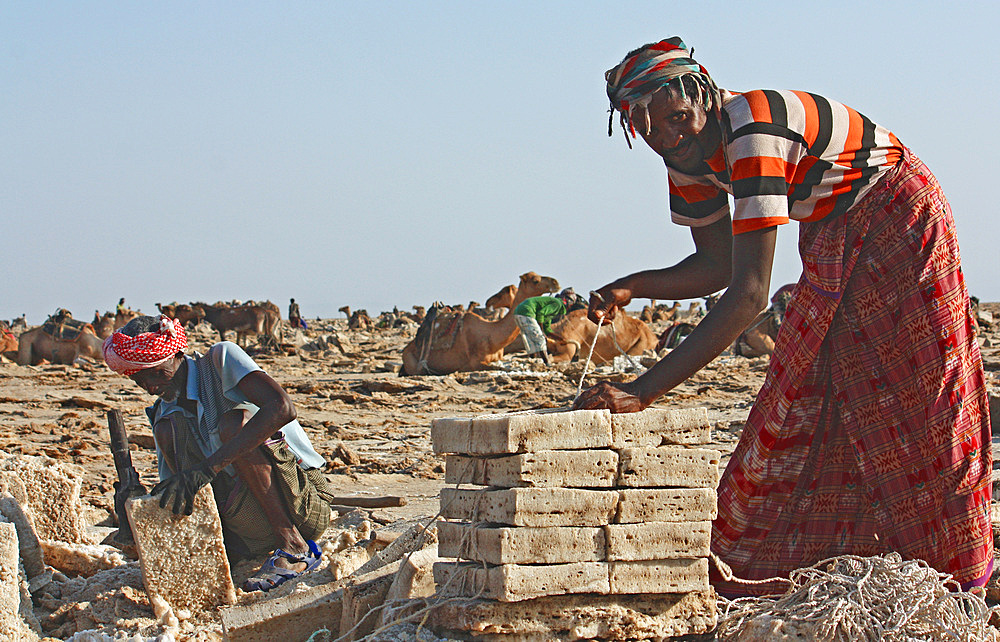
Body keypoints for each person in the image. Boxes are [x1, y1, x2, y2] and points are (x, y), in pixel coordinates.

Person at [574, 37, 992, 595]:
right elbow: (715, 266)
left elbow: (749, 294)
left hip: (899, 212)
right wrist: (632, 287)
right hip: (830, 226)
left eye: (675, 118)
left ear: (702, 94)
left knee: (924, 389)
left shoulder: (753, 129)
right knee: (822, 383)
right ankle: (828, 552)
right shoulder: (686, 157)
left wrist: (642, 391)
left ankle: (966, 565)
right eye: (646, 128)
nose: (666, 136)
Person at [103, 315, 335, 592]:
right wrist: (133, 506)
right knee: (169, 430)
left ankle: (294, 547)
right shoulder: (164, 412)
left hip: (300, 504)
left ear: (176, 354)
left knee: (234, 425)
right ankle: (221, 550)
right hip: (246, 529)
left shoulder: (220, 360)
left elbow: (282, 407)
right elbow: (177, 490)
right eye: (140, 380)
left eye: (156, 373)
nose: (152, 387)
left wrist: (207, 469)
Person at [513, 288, 585, 365]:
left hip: (519, 311)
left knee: (532, 340)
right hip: (527, 311)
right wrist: (541, 330)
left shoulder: (553, 310)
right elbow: (541, 313)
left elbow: (547, 330)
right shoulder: (558, 304)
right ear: (569, 302)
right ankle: (547, 363)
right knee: (540, 338)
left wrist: (559, 339)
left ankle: (532, 361)